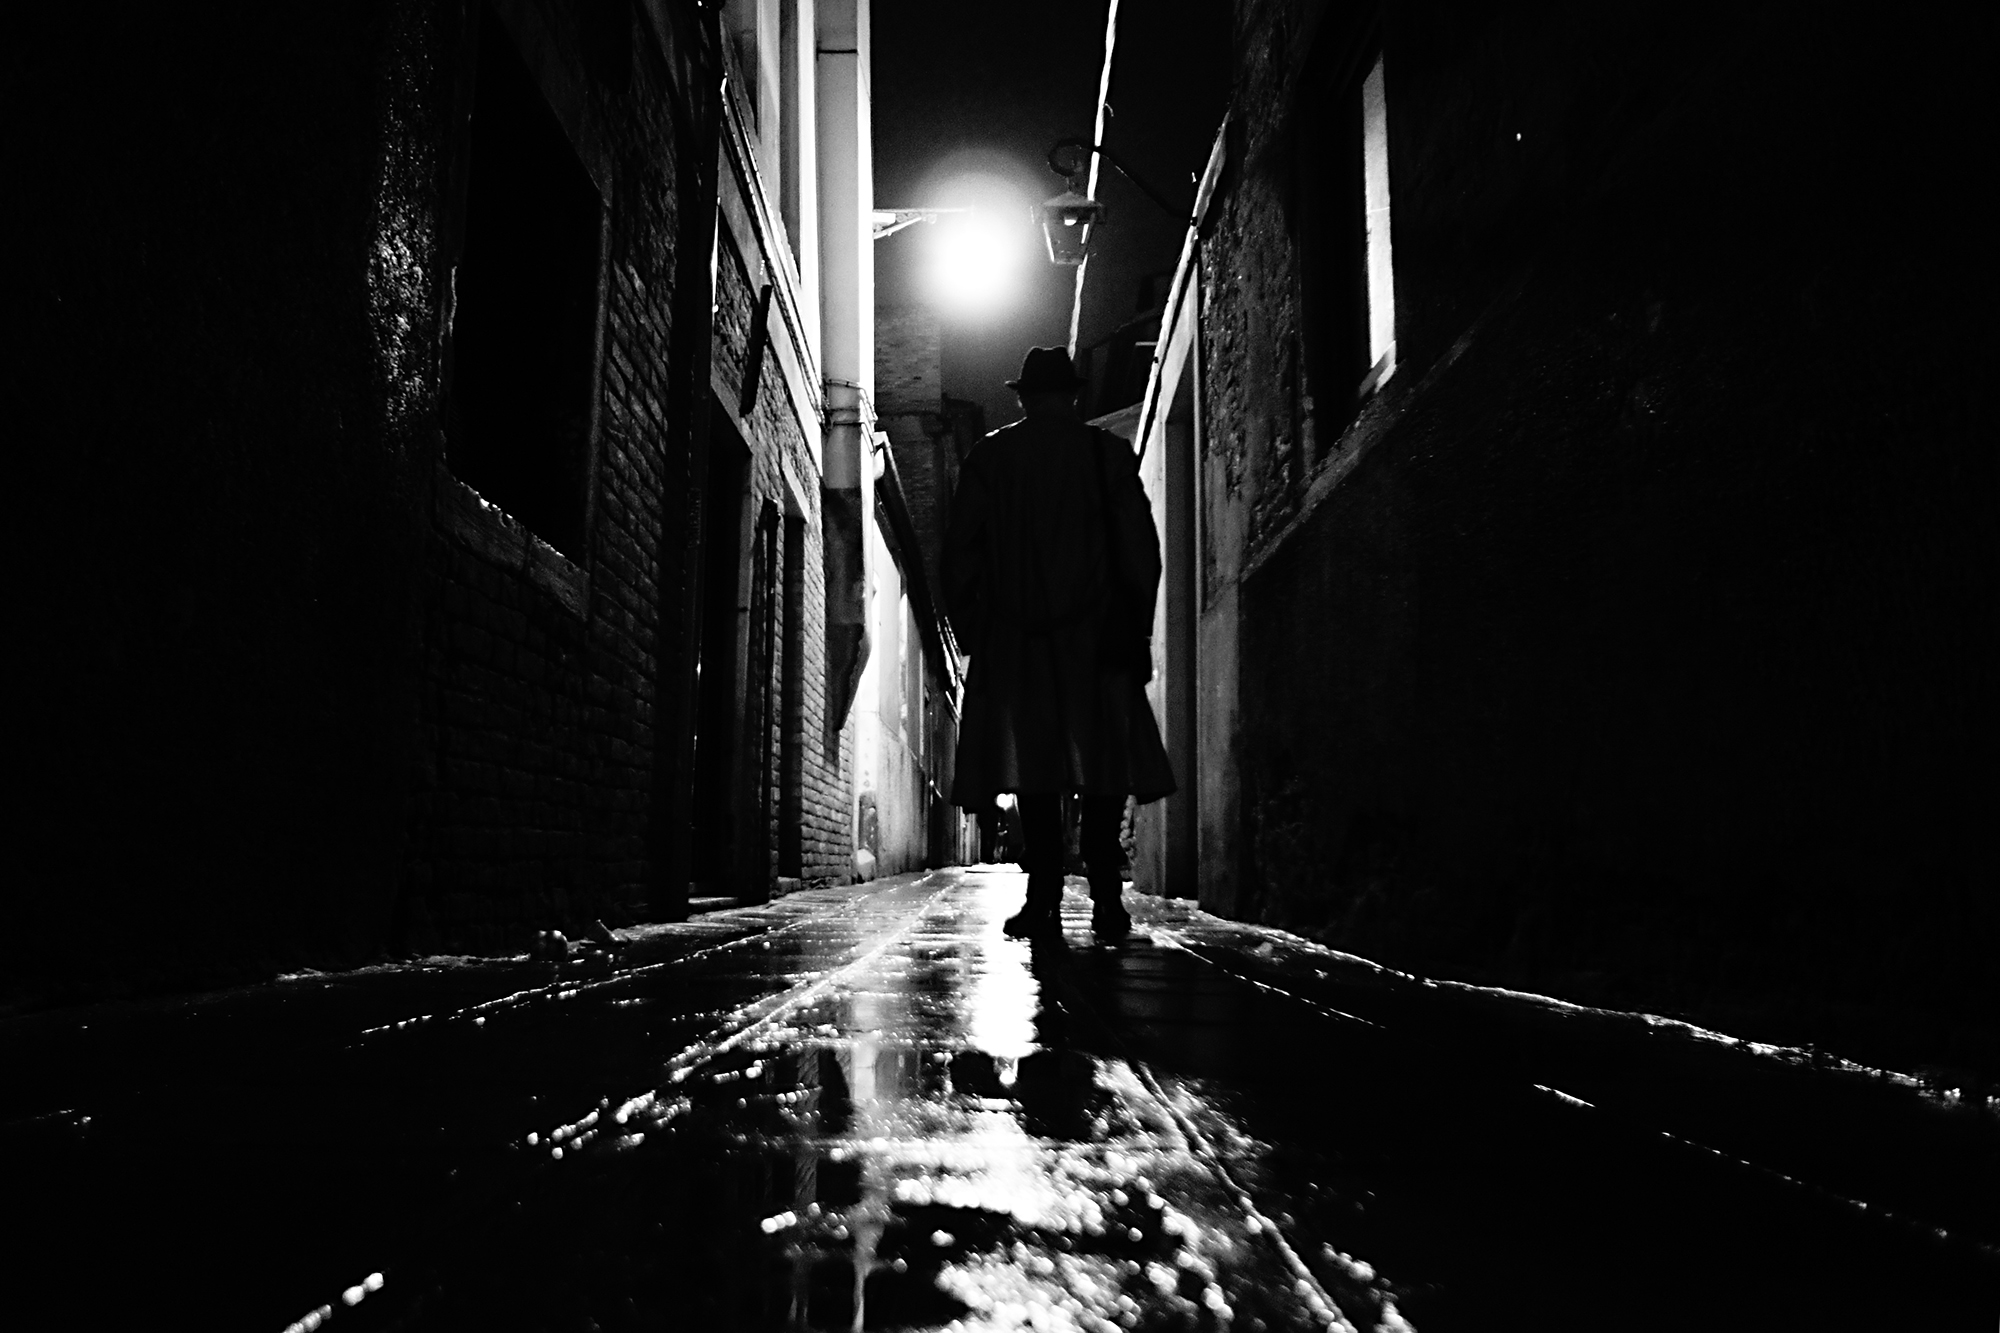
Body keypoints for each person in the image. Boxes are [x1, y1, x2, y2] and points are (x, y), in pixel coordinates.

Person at [943, 347, 1176, 942]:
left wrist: (974, 630)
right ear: (1074, 395)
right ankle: (1107, 900)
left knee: (1036, 768)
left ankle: (1042, 895)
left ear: (1022, 397)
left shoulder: (990, 458)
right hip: (1096, 642)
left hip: (1017, 642)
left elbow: (960, 553)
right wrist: (1137, 627)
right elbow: (1140, 550)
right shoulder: (1108, 454)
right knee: (1104, 765)